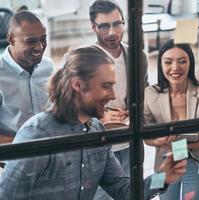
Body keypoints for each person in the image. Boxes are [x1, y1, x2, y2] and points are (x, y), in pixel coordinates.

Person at [0, 45, 187, 200]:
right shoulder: (36, 134)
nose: (112, 95)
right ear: (78, 84)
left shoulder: (97, 131)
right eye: (105, 86)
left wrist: (162, 178)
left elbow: (123, 190)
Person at [144, 39, 199, 200]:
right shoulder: (150, 94)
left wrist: (180, 147)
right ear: (160, 65)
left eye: (182, 61)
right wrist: (158, 141)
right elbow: (146, 137)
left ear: (190, 63)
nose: (175, 67)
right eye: (168, 62)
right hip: (164, 163)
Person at [88, 1, 149, 199]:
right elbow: (67, 107)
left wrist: (136, 110)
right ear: (93, 26)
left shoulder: (138, 57)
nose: (112, 31)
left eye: (117, 24)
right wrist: (101, 115)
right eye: (104, 26)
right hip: (97, 148)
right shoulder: (81, 59)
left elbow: (144, 95)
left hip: (130, 145)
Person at [0, 10, 54, 144]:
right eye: (31, 41)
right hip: (13, 157)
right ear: (11, 39)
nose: (40, 47)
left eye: (43, 39)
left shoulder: (49, 67)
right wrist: (28, 145)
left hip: (52, 154)